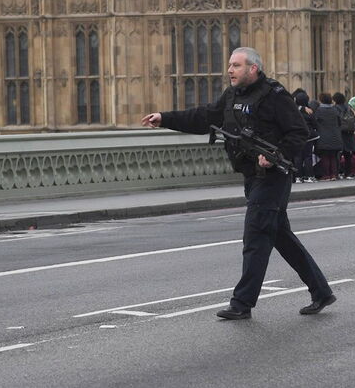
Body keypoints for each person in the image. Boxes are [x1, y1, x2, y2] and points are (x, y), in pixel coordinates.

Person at [140, 47, 335, 320]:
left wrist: (276, 155)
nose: (229, 70)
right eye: (230, 65)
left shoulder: (275, 96)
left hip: (273, 178)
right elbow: (204, 117)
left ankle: (242, 303)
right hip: (251, 176)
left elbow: (299, 132)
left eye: (236, 65)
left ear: (253, 69)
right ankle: (322, 292)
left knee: (255, 237)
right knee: (281, 238)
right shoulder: (232, 96)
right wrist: (165, 119)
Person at [312, 93, 343, 180]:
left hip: (323, 136)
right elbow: (339, 122)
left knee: (325, 157)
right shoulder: (335, 110)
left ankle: (326, 175)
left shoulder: (319, 110)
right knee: (333, 156)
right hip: (335, 136)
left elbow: (315, 123)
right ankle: (334, 174)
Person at [333, 92, 355, 179]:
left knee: (338, 154)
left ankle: (336, 173)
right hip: (349, 133)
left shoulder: (335, 108)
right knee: (348, 155)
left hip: (340, 133)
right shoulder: (349, 107)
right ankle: (348, 173)